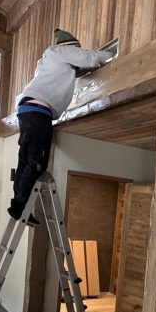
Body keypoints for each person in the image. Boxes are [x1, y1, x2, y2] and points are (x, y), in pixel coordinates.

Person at [8, 29, 115, 221]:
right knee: (37, 161)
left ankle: (18, 205)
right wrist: (111, 55)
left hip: (29, 110)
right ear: (71, 47)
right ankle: (20, 207)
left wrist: (84, 69)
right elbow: (89, 57)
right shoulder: (59, 51)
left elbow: (77, 69)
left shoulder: (51, 62)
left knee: (25, 159)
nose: (77, 53)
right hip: (38, 112)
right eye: (76, 50)